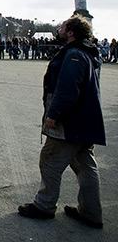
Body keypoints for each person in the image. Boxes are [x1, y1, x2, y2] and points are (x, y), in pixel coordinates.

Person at [18, 15, 105, 229]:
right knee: (85, 166)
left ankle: (44, 205)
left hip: (70, 122)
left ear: (72, 32)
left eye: (63, 27)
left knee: (50, 160)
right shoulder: (88, 52)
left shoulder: (74, 54)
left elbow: (68, 89)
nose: (59, 29)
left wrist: (55, 114)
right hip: (86, 121)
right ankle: (91, 212)